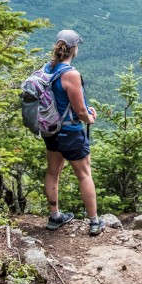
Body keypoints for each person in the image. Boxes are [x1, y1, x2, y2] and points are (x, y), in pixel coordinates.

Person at [42, 29, 105, 236]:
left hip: (51, 130)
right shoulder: (71, 74)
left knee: (53, 172)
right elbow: (79, 111)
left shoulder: (47, 69)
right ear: (74, 49)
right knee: (84, 174)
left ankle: (54, 216)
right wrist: (91, 118)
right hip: (70, 132)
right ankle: (95, 221)